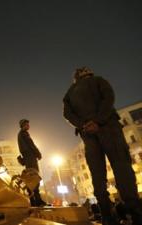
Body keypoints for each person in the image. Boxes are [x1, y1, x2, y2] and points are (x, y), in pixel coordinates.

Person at [63, 66, 142, 225]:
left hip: (88, 134)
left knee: (97, 174)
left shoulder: (69, 93)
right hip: (109, 127)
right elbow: (109, 98)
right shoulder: (99, 81)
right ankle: (136, 214)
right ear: (89, 73)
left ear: (76, 78)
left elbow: (67, 114)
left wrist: (84, 124)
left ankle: (106, 215)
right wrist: (98, 121)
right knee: (121, 167)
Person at [17, 119, 46, 207]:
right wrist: (38, 153)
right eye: (27, 124)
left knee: (30, 179)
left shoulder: (20, 134)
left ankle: (33, 200)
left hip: (27, 158)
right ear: (23, 125)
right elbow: (31, 144)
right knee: (34, 178)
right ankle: (37, 200)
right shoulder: (24, 133)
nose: (28, 126)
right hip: (30, 158)